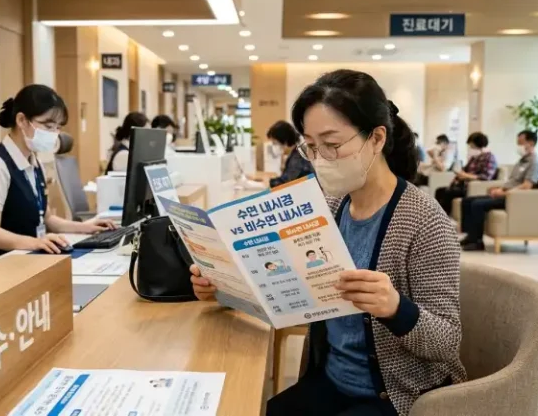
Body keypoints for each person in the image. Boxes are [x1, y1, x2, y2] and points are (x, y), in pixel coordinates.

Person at [191, 70, 465, 416]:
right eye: (311, 146)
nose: (320, 159)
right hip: (331, 381)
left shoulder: (425, 221)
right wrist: (224, 286)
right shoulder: (329, 206)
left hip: (395, 395)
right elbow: (289, 288)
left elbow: (447, 342)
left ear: (376, 138)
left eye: (332, 145)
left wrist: (396, 308)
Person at [0, 85, 116, 265]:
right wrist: (35, 242)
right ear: (21, 120)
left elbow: (47, 218)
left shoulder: (35, 164)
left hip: (29, 260)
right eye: (48, 126)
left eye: (58, 127)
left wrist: (86, 227)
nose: (54, 134)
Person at [459, 130, 538, 251]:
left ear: (530, 143)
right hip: (506, 193)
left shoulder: (534, 163)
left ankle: (477, 242)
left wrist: (504, 193)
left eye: (520, 143)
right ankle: (471, 236)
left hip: (515, 198)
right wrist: (500, 189)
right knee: (468, 201)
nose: (518, 146)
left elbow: (526, 186)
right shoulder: (521, 161)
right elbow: (513, 182)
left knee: (477, 204)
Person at [434, 132, 498, 215]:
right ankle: (436, 215)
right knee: (439, 191)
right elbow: (464, 170)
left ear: (478, 145)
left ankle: (443, 217)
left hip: (472, 187)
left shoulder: (489, 157)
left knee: (448, 193)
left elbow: (486, 176)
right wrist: (458, 176)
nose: (470, 148)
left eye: (472, 146)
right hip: (462, 185)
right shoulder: (474, 158)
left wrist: (466, 176)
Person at [266, 120, 315, 188]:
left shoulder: (298, 157)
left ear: (285, 141)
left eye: (275, 143)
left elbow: (285, 183)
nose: (274, 146)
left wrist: (269, 182)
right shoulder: (295, 153)